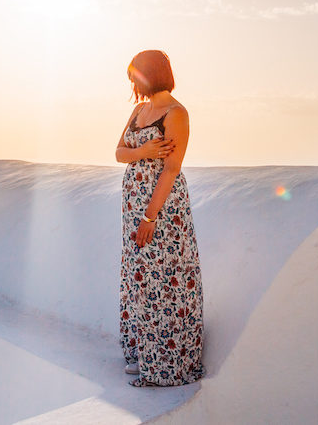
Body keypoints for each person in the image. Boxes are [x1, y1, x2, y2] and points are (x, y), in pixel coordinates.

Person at [115, 50, 204, 387]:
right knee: (140, 276)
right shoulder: (139, 111)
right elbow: (119, 152)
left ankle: (166, 359)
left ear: (149, 75)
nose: (132, 85)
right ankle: (143, 351)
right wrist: (143, 152)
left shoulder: (176, 113)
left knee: (164, 277)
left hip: (162, 211)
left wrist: (150, 217)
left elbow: (171, 169)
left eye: (135, 77)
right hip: (133, 208)